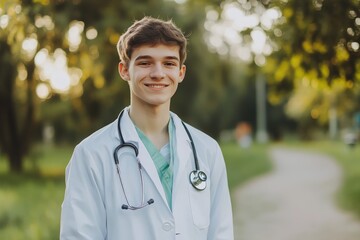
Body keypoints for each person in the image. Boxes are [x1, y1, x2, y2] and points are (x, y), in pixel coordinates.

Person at [60, 16, 234, 240]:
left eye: (169, 63)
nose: (158, 73)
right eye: (145, 62)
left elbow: (221, 234)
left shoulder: (207, 151)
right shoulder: (91, 154)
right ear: (124, 70)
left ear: (180, 73)